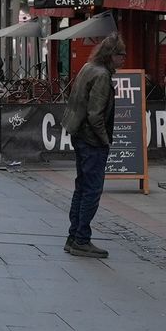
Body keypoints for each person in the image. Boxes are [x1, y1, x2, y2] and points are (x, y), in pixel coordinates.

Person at [62, 32, 126, 259]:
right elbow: (95, 115)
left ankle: (74, 236)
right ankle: (81, 239)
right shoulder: (101, 75)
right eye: (121, 55)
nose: (124, 59)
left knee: (82, 187)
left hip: (80, 135)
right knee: (92, 189)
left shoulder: (88, 67)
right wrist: (105, 140)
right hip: (92, 140)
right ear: (111, 55)